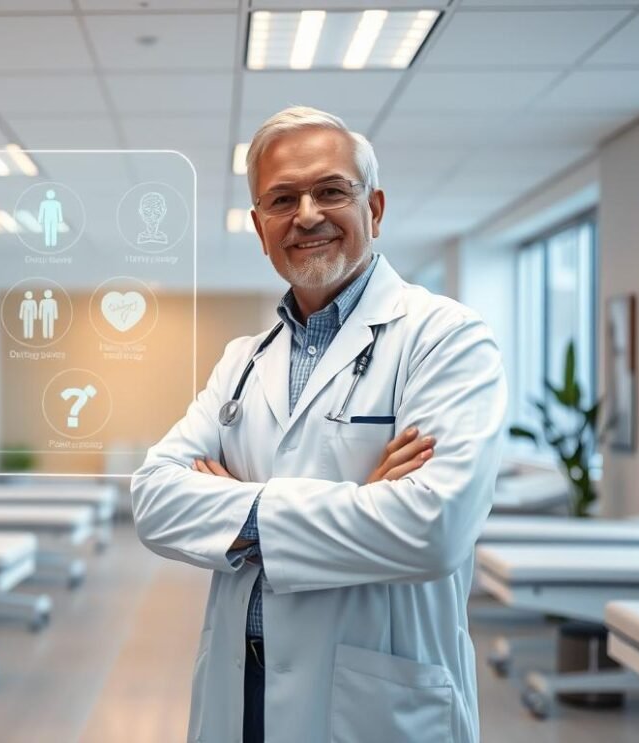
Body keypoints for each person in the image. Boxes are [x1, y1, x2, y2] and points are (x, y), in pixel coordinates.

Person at [131, 106, 507, 743]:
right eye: (282, 199)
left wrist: (235, 511)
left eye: (331, 190)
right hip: (240, 689)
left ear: (375, 209)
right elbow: (154, 501)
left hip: (371, 701)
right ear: (260, 226)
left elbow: (433, 528)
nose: (306, 214)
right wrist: (363, 502)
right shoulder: (242, 360)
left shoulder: (446, 339)